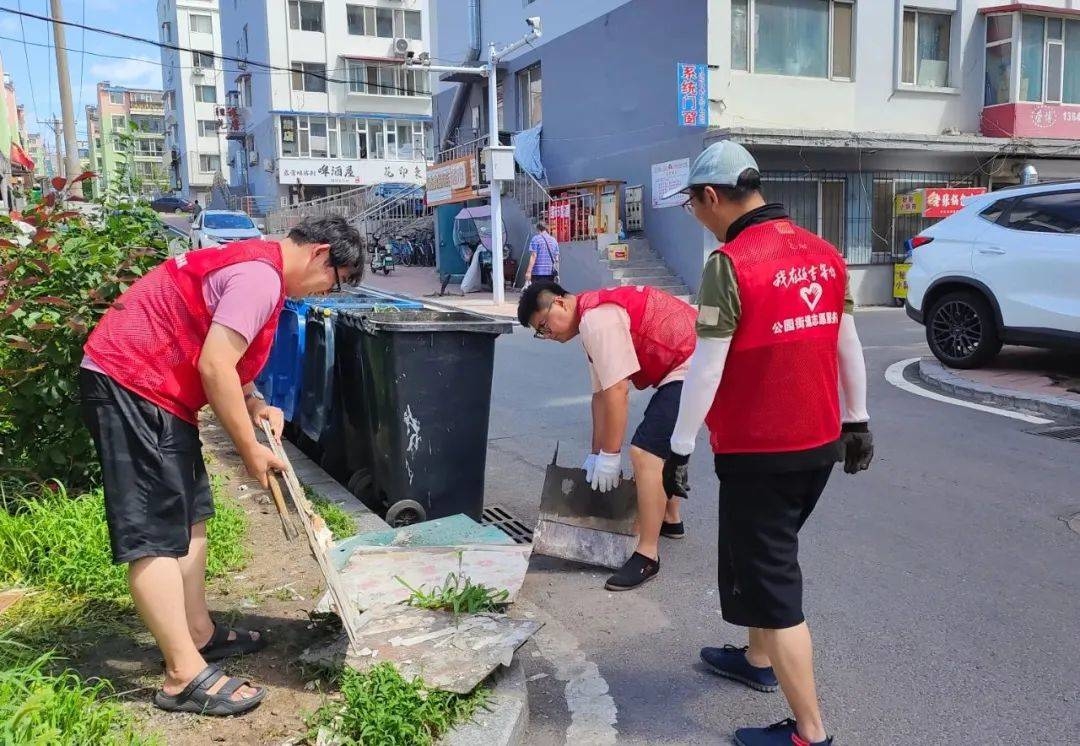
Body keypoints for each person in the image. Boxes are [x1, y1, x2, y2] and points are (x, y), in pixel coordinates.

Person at [79, 215, 365, 717]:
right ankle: (181, 676)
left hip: (159, 392)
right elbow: (214, 365)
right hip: (133, 381)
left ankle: (198, 634)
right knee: (155, 531)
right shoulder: (261, 276)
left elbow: (226, 356)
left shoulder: (262, 271)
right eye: (334, 282)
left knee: (191, 515)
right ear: (322, 253)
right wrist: (248, 449)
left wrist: (254, 403)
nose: (326, 293)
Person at [661, 141, 873, 746]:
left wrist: (680, 447)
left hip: (760, 451)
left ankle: (809, 732)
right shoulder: (825, 252)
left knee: (775, 583)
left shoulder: (730, 264)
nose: (697, 217)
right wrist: (856, 420)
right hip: (819, 445)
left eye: (693, 207)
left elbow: (706, 365)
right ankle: (757, 661)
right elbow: (846, 342)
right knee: (761, 554)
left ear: (710, 197)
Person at [518, 280, 696, 590]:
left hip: (695, 362)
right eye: (541, 332)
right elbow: (600, 397)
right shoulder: (590, 322)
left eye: (545, 325)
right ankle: (670, 517)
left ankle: (647, 555)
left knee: (645, 452)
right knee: (663, 439)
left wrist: (611, 456)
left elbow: (617, 392)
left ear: (560, 302)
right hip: (682, 363)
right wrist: (594, 455)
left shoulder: (596, 320)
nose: (549, 335)